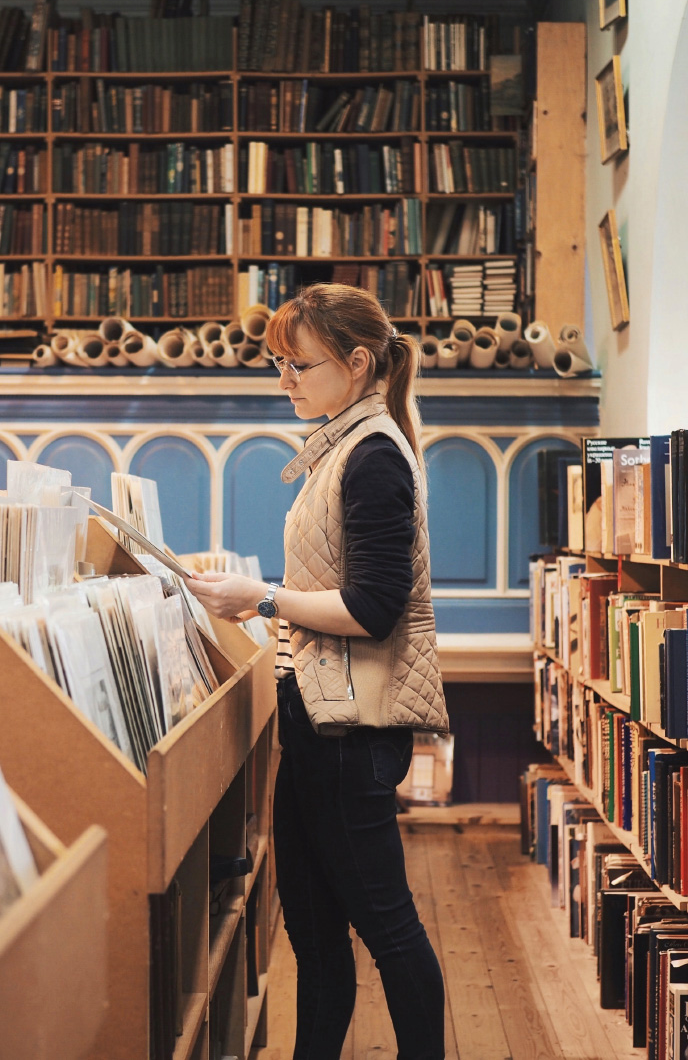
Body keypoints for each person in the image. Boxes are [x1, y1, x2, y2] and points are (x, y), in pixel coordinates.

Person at [185, 283, 448, 1060]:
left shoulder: (371, 456)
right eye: (277, 363)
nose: (285, 380)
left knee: (385, 921)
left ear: (358, 362)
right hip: (317, 717)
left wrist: (263, 597)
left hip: (351, 730)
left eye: (299, 364)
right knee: (310, 920)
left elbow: (372, 607)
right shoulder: (344, 442)